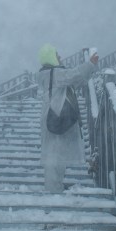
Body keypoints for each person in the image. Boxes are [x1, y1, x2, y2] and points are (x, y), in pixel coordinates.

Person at [37, 44, 99, 193]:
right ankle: (52, 188)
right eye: (56, 55)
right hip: (56, 116)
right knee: (54, 156)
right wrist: (90, 64)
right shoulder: (54, 73)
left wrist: (89, 70)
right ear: (50, 57)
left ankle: (55, 186)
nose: (59, 57)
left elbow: (76, 80)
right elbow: (75, 74)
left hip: (54, 116)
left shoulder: (51, 74)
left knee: (57, 155)